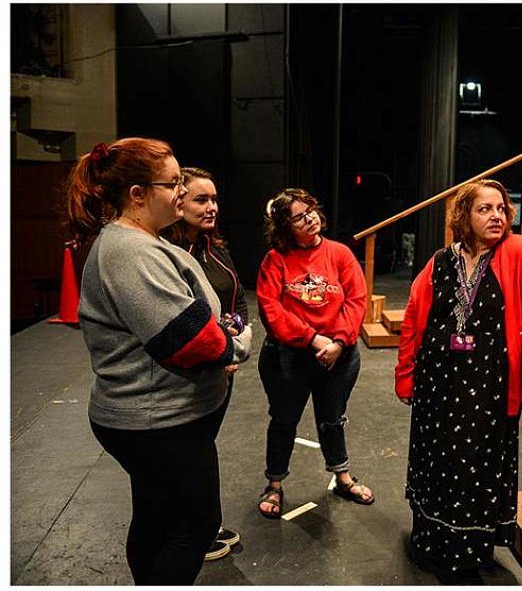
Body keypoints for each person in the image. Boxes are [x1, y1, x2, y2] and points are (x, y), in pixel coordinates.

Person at [69, 138, 253, 584]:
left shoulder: (137, 242)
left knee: (155, 514)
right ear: (137, 194)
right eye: (172, 184)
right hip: (158, 421)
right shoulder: (132, 251)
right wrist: (236, 345)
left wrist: (222, 334)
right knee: (194, 527)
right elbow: (186, 340)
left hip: (160, 417)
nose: (180, 193)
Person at [395, 179, 522, 578]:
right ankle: (429, 541)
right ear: (464, 216)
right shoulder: (441, 260)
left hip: (488, 390)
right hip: (437, 384)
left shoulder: (514, 250)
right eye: (485, 209)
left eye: (501, 209)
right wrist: (405, 375)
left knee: (474, 469)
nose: (497, 215)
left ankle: (467, 554)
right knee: (434, 461)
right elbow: (415, 317)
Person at [255, 188, 373, 518]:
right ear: (283, 227)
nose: (310, 219)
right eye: (299, 216)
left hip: (338, 354)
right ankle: (274, 485)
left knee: (332, 419)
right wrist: (312, 339)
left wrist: (337, 342)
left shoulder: (340, 254)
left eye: (311, 211)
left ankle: (343, 477)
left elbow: (356, 300)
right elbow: (271, 309)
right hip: (289, 356)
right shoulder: (275, 260)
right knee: (283, 421)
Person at [162, 166, 248, 561]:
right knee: (186, 457)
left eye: (214, 198)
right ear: (178, 203)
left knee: (202, 450)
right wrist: (223, 350)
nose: (212, 206)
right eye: (201, 199)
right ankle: (189, 530)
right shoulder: (168, 254)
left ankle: (201, 525)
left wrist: (235, 343)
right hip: (188, 374)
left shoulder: (216, 247)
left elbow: (239, 302)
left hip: (222, 367)